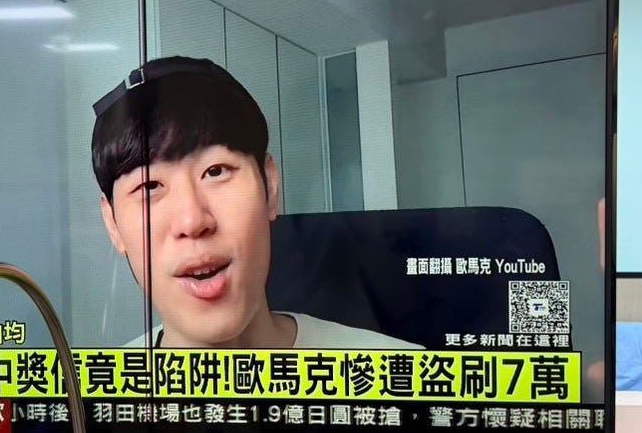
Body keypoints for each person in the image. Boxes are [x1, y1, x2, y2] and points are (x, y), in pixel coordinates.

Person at [90, 56, 420, 349]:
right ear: (113, 223)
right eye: (150, 186)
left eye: (215, 171)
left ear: (270, 186)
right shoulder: (88, 391)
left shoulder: (402, 376)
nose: (193, 221)